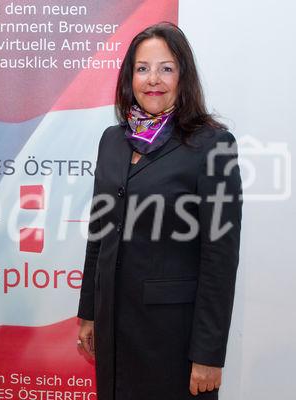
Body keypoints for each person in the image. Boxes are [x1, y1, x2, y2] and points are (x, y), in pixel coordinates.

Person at [77, 22, 242, 400]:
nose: (153, 79)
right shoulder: (113, 140)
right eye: (142, 68)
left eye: (166, 68)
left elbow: (220, 257)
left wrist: (208, 354)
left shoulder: (212, 145)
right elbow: (99, 232)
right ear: (129, 78)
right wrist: (89, 310)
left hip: (173, 339)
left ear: (183, 76)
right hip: (113, 329)